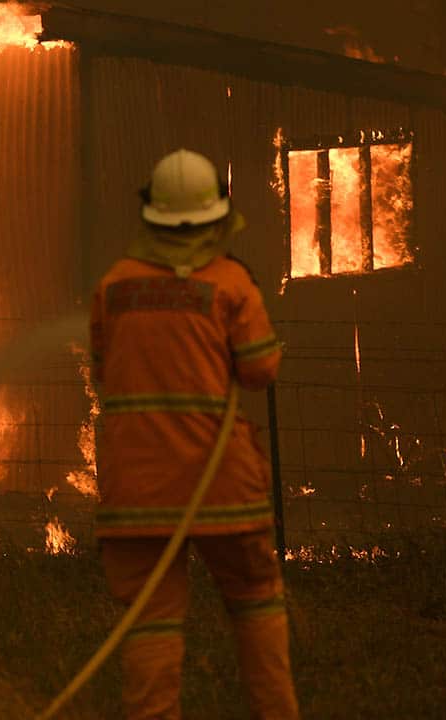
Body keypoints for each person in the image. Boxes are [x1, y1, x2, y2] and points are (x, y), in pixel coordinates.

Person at [89, 148, 299, 719]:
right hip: (222, 486)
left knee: (150, 624)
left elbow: (105, 369)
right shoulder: (231, 284)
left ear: (152, 215)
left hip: (137, 492)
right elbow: (260, 371)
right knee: (256, 601)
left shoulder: (114, 286)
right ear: (215, 218)